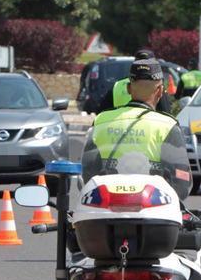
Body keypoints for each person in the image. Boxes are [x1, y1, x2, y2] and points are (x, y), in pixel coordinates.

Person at [82, 58, 192, 198]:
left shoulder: (100, 121)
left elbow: (87, 171)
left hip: (105, 205)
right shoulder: (167, 125)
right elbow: (181, 181)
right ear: (159, 91)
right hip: (153, 209)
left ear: (128, 88)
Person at [96, 50, 175, 114]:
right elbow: (166, 113)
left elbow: (101, 113)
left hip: (118, 130)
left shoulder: (117, 86)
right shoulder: (156, 87)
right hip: (148, 130)